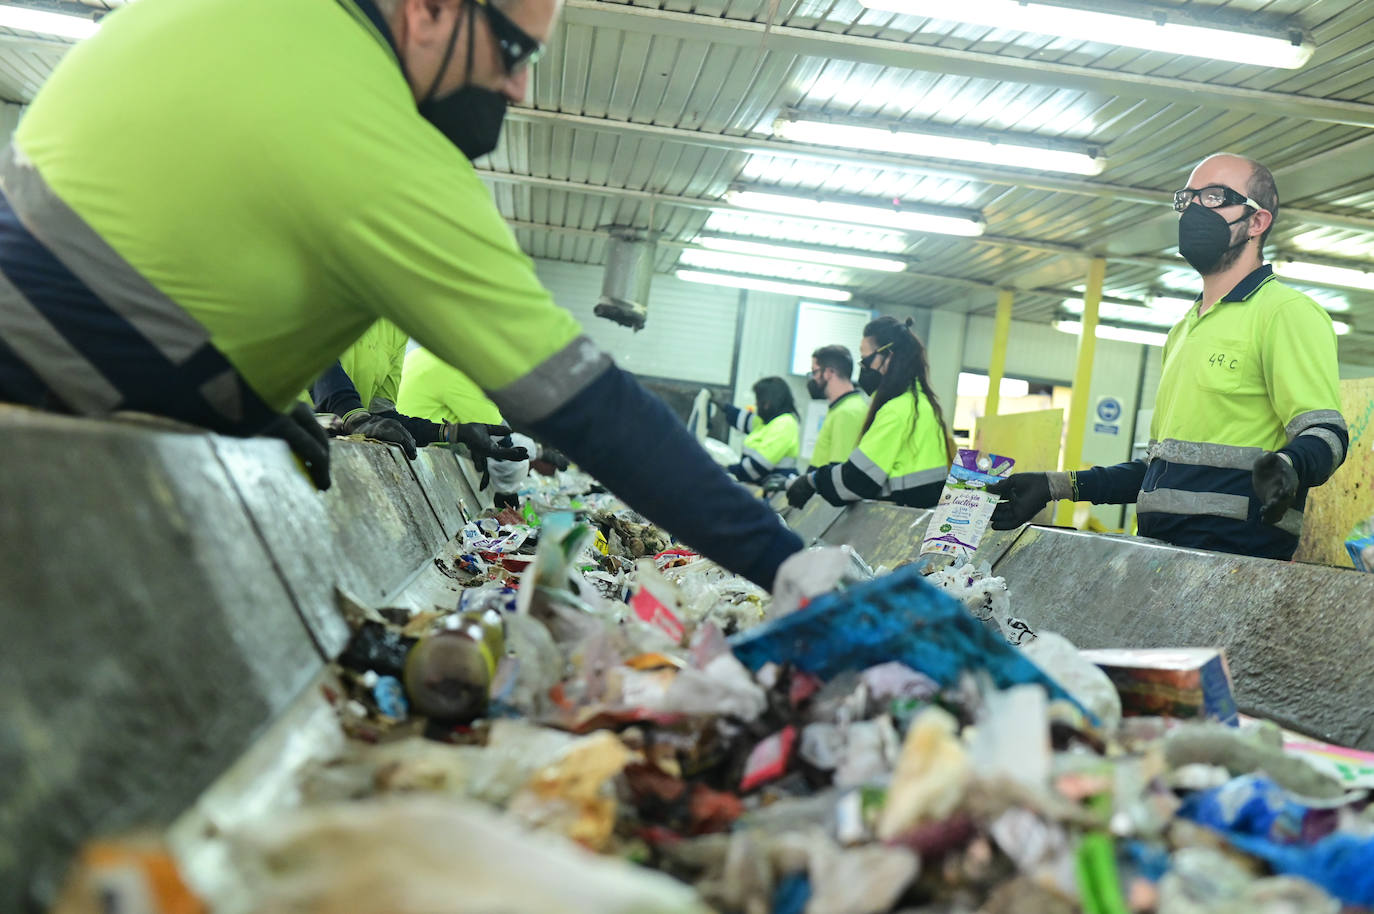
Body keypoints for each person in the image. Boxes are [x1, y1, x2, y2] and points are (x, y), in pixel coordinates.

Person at [0, 0, 801, 590]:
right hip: (39, 450)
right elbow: (589, 403)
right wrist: (789, 565)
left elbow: (167, 227)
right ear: (429, 9)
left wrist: (248, 402)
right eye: (515, 50)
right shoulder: (380, 142)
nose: (519, 87)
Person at [989, 153, 1348, 561]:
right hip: (1163, 558)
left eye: (1215, 197)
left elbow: (1327, 433)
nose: (1195, 209)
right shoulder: (1184, 329)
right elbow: (1160, 473)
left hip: (1234, 563)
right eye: (1188, 198)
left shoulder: (1285, 312)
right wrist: (1056, 485)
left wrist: (1288, 466)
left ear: (1257, 222)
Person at [788, 316, 955, 509]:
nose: (863, 368)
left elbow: (858, 479)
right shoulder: (921, 404)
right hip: (915, 516)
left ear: (889, 356)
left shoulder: (898, 410)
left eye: (866, 360)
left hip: (901, 517)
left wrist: (813, 481)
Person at [310, 322, 526, 468]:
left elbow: (383, 414)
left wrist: (453, 433)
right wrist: (355, 416)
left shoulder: (395, 327)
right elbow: (309, 355)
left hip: (335, 450)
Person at [719, 377, 802, 485]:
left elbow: (757, 467)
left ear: (768, 402)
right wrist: (724, 406)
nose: (756, 404)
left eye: (758, 400)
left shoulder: (785, 424)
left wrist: (725, 470)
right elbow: (744, 419)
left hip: (774, 489)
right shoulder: (768, 421)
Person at [805, 344, 868, 470]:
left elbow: (839, 472)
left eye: (815, 372)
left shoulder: (848, 412)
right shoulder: (840, 408)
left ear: (829, 373)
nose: (813, 378)